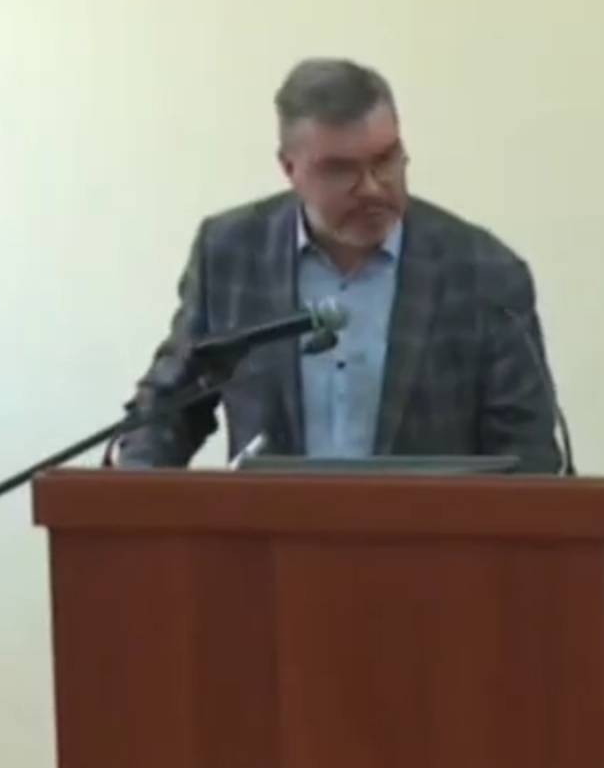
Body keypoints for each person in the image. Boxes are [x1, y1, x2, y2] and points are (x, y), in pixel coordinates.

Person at [112, 57, 564, 470]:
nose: (372, 187)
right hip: (269, 531)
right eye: (340, 170)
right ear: (290, 169)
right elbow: (168, 409)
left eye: (386, 160)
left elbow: (527, 454)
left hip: (428, 533)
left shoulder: (484, 273)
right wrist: (130, 490)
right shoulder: (231, 254)